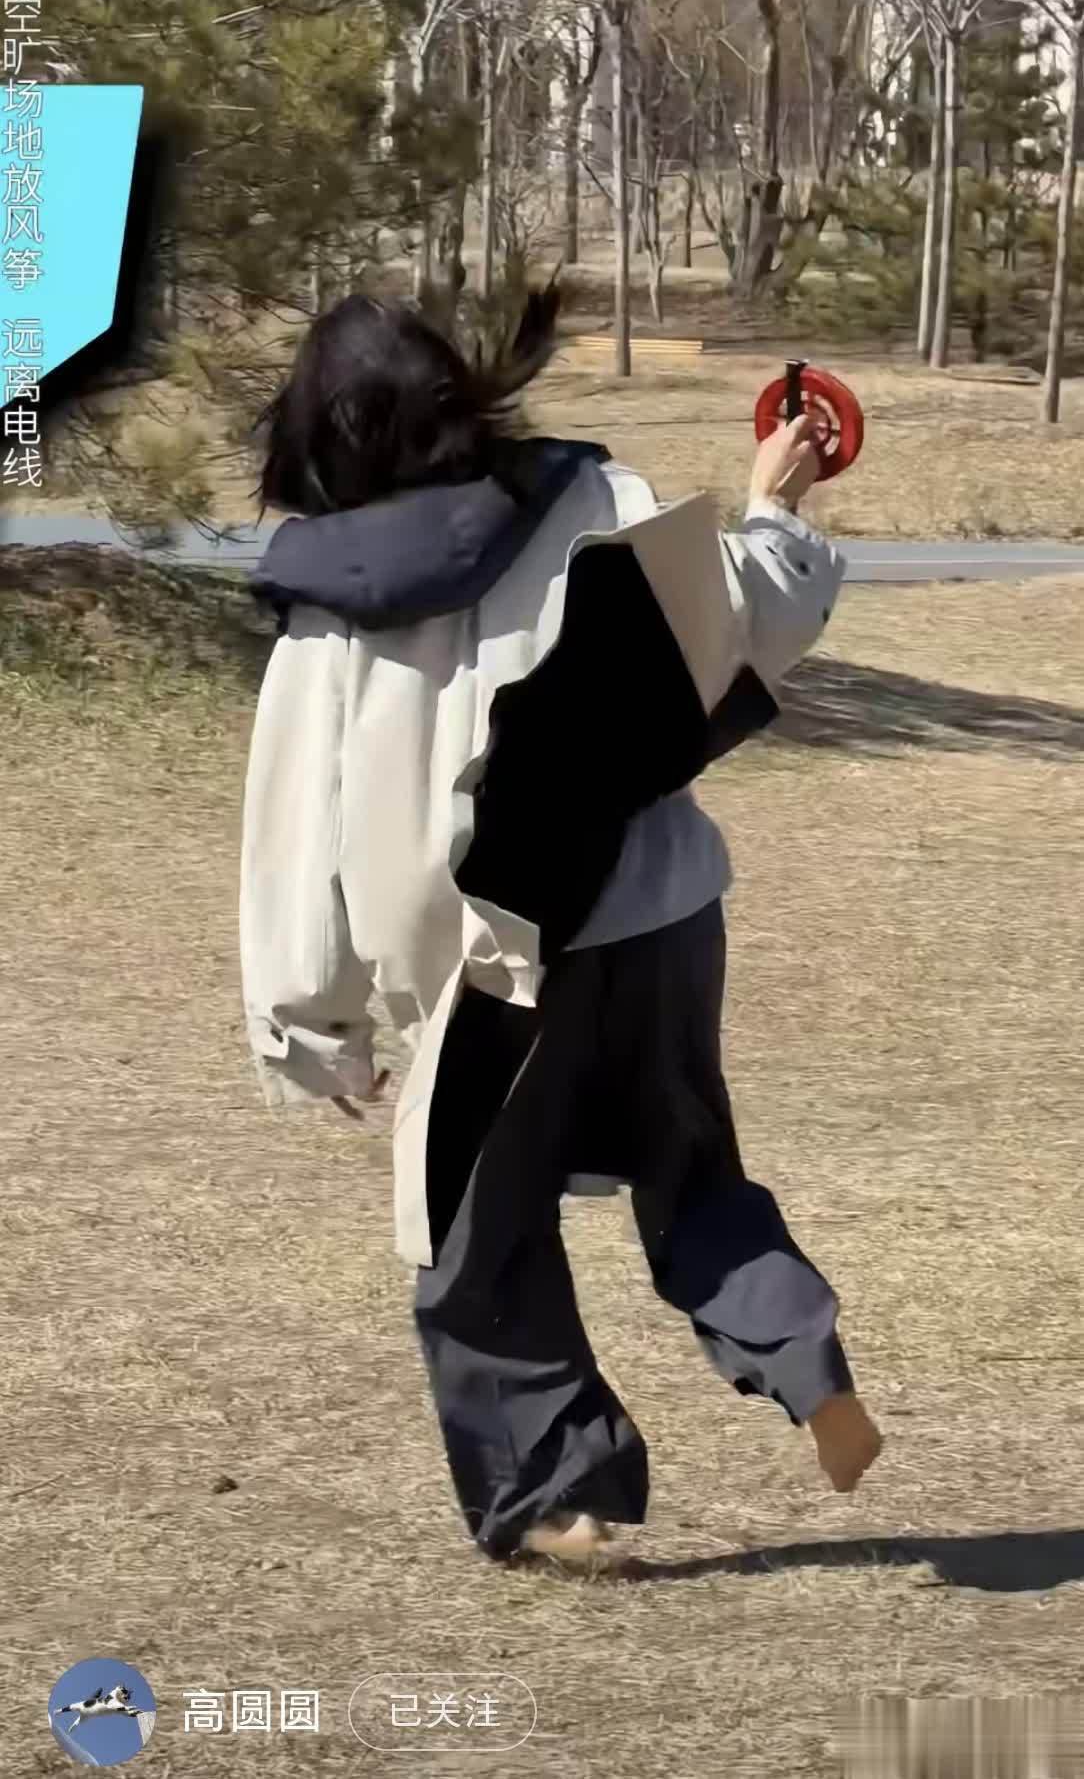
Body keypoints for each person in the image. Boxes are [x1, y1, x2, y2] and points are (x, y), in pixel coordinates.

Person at [238, 283, 883, 1568]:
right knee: (690, 1169)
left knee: (474, 1240)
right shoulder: (593, 501)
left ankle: (560, 1498)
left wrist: (312, 1028)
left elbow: (298, 829)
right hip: (657, 915)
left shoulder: (326, 610)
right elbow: (745, 624)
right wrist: (775, 501)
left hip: (494, 959)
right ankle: (803, 1360)